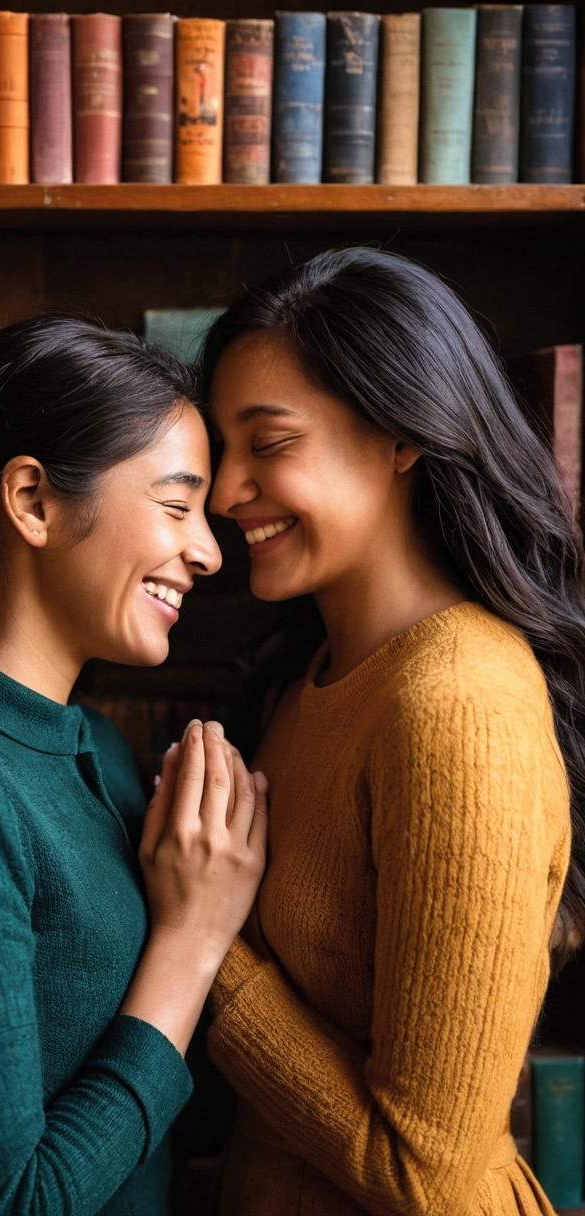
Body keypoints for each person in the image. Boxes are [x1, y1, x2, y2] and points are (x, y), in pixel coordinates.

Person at [0, 316, 268, 1216]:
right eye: (178, 507)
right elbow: (11, 1204)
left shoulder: (98, 748)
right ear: (32, 500)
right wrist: (191, 940)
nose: (210, 551)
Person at [202, 247, 585, 1216]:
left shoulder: (458, 705)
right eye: (219, 450)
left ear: (399, 436)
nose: (221, 492)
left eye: (268, 443)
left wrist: (197, 949)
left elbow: (429, 1172)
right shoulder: (307, 682)